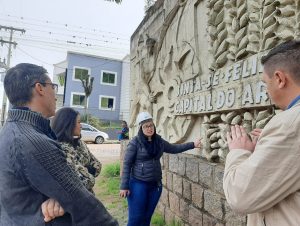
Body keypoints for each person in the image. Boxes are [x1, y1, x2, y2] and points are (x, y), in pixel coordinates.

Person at [0, 63, 118, 225]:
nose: (55, 95)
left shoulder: (9, 132)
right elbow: (81, 202)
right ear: (39, 88)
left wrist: (59, 198)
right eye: (53, 86)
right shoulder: (34, 142)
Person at [223, 40, 300, 226]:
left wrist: (238, 151)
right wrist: (266, 147)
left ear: (280, 79)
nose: (266, 91)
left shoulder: (289, 124)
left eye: (266, 83)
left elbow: (239, 196)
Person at [119, 111, 201, 226]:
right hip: (138, 184)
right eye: (146, 126)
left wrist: (192, 144)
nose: (149, 128)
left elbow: (174, 148)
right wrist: (124, 186)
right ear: (140, 128)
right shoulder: (135, 143)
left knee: (147, 218)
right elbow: (127, 164)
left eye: (151, 125)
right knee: (136, 219)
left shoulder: (159, 141)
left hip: (155, 185)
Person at [51, 107, 102, 193]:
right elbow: (84, 181)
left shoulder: (80, 143)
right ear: (68, 124)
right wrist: (88, 170)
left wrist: (84, 170)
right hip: (74, 201)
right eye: (78, 122)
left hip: (88, 197)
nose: (81, 126)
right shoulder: (61, 149)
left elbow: (98, 165)